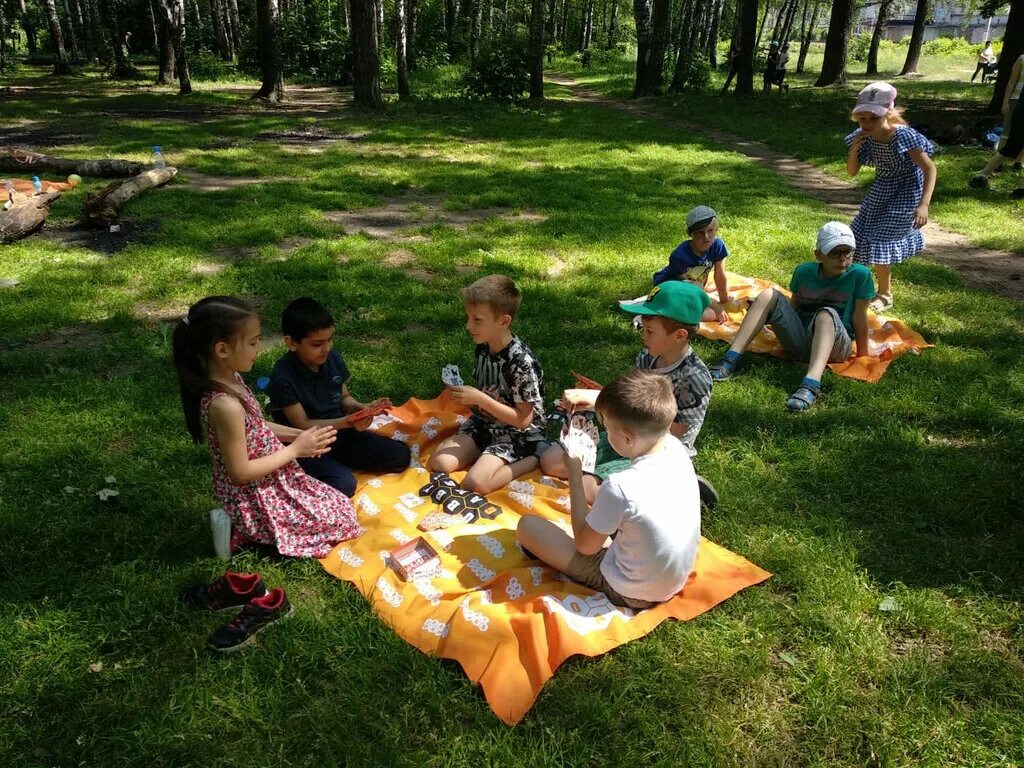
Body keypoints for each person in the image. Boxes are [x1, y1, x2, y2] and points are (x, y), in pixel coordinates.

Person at [172, 296, 362, 560]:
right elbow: (240, 473)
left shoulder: (232, 379)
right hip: (253, 495)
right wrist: (295, 450)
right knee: (340, 522)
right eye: (252, 342)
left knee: (342, 508)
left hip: (273, 477)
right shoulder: (224, 405)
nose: (259, 348)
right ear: (222, 350)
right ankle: (241, 531)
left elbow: (256, 427)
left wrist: (302, 435)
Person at [518, 370, 701, 610]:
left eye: (607, 427)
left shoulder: (620, 486)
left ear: (627, 438)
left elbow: (585, 546)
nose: (604, 432)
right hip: (673, 579)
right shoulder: (675, 447)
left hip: (631, 591)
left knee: (528, 527)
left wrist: (575, 475)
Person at [539, 280, 717, 507]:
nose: (644, 337)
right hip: (626, 436)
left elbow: (674, 433)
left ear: (679, 336)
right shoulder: (648, 355)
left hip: (656, 452)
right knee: (551, 461)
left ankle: (679, 484)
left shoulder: (694, 378)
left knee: (587, 490)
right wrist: (602, 399)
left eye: (650, 331)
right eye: (643, 329)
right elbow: (633, 398)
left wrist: (603, 402)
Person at [707, 222, 875, 412]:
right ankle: (730, 358)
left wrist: (863, 356)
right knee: (768, 294)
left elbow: (860, 317)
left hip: (836, 347)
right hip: (801, 341)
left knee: (826, 314)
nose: (843, 258)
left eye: (848, 252)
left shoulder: (860, 275)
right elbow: (794, 307)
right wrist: (774, 318)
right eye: (835, 253)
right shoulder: (804, 272)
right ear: (819, 255)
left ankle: (811, 384)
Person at [267, 297, 410, 498]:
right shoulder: (283, 377)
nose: (327, 348)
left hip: (341, 433)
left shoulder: (332, 358)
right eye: (317, 344)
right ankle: (317, 472)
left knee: (400, 456)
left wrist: (362, 408)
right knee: (344, 485)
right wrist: (347, 422)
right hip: (309, 444)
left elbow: (344, 398)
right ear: (291, 343)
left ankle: (338, 463)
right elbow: (303, 424)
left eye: (330, 340)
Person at [428, 274, 546, 494]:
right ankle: (484, 453)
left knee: (475, 484)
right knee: (440, 463)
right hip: (485, 423)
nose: (468, 326)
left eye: (477, 320)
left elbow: (523, 420)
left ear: (504, 321)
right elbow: (489, 393)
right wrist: (464, 394)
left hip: (518, 434)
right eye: (468, 318)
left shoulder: (520, 362)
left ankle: (535, 457)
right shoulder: (483, 347)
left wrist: (480, 399)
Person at [845, 81, 936, 313]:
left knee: (881, 239)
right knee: (858, 235)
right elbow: (852, 172)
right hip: (882, 190)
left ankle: (885, 294)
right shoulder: (864, 136)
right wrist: (854, 149)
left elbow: (929, 169)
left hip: (906, 193)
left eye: (873, 118)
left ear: (888, 113)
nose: (866, 123)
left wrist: (924, 204)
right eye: (862, 119)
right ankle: (856, 287)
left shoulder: (903, 136)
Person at [652, 205, 731, 323]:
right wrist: (714, 305)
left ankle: (672, 314)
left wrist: (724, 301)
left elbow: (720, 275)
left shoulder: (717, 246)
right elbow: (689, 286)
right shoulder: (679, 255)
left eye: (710, 231)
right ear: (690, 234)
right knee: (710, 313)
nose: (706, 237)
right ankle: (659, 315)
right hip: (670, 287)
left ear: (717, 229)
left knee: (708, 309)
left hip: (692, 289)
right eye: (700, 233)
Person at [970, 52, 1024, 190]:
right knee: (1009, 144)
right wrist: (1006, 101)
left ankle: (982, 175)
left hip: (1021, 108)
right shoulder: (1022, 59)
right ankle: (1019, 188)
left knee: (1010, 147)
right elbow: (1012, 81)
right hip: (1020, 107)